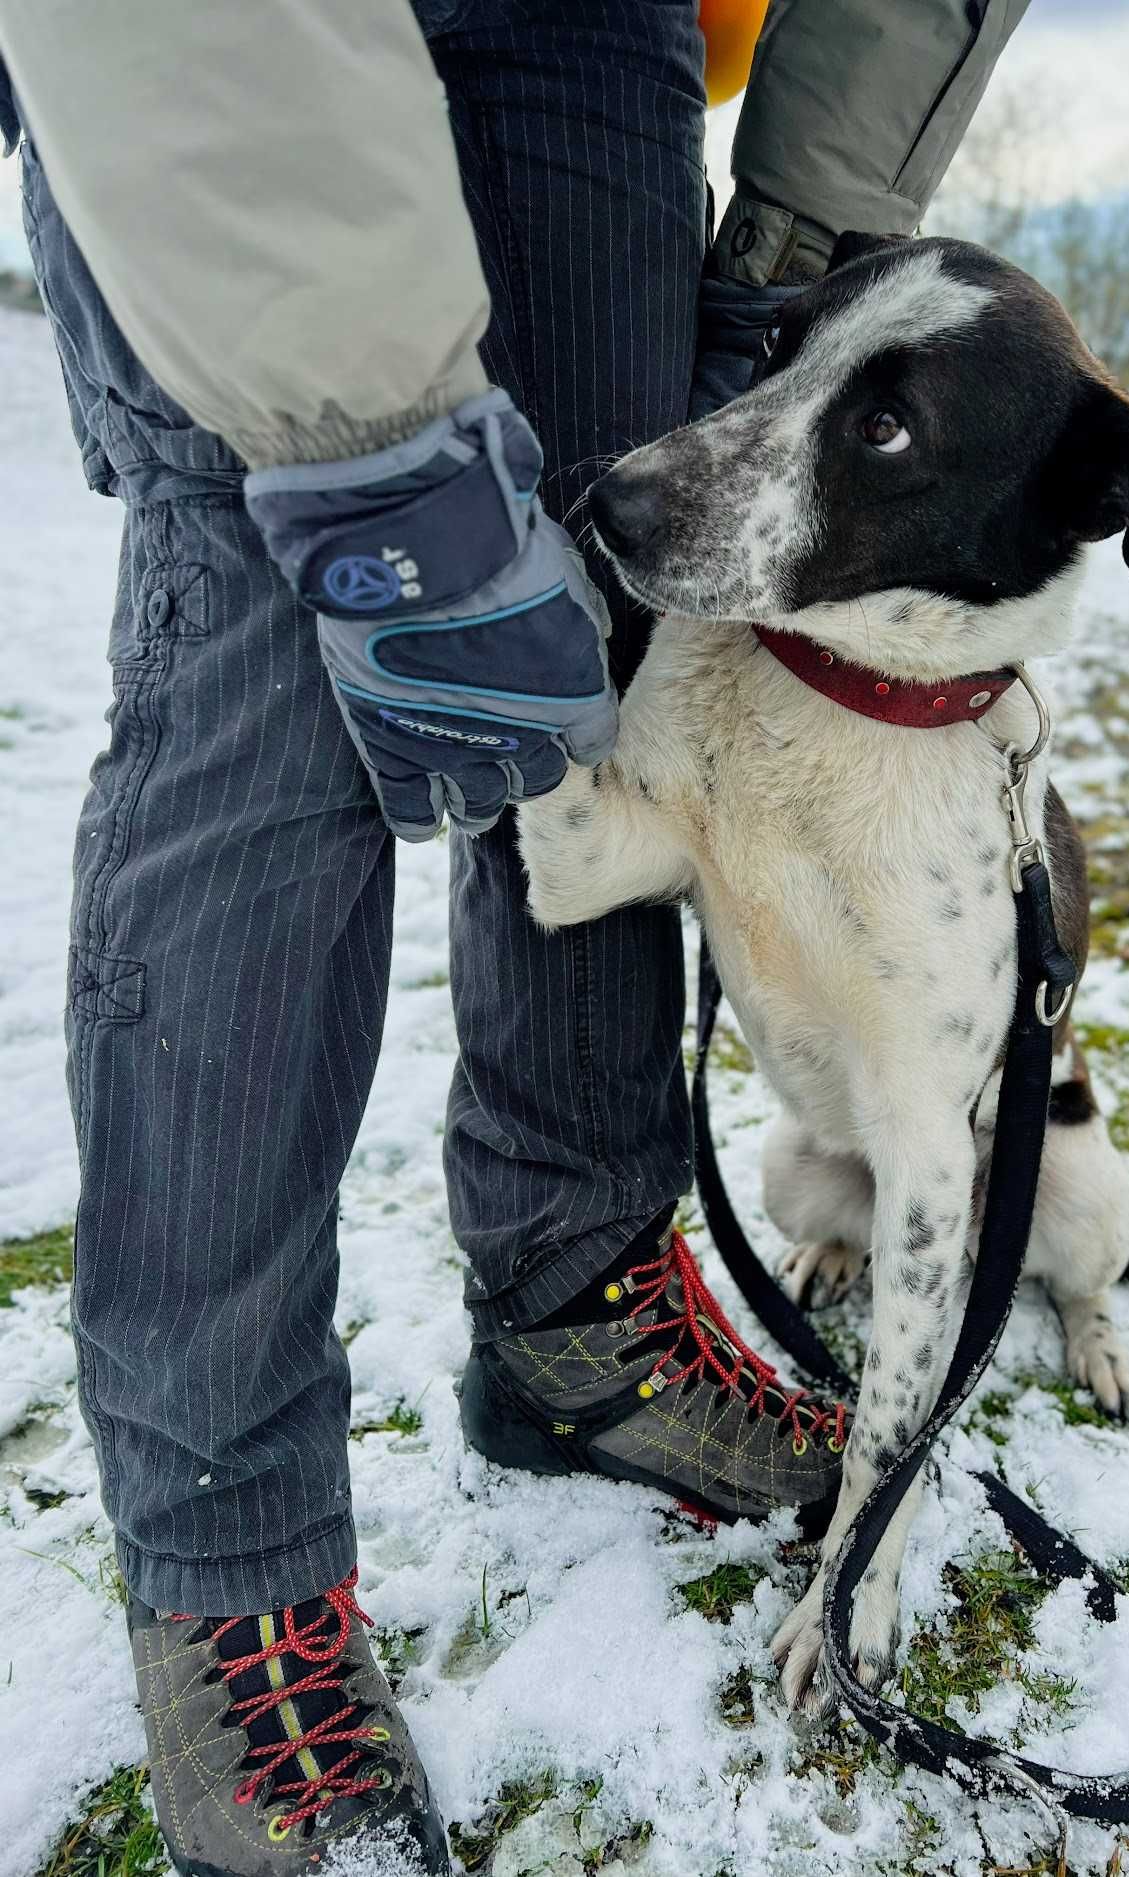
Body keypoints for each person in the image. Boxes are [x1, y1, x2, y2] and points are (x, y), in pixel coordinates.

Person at [0, 3, 1028, 1870]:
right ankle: (234, 1557)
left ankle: (577, 1311)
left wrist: (807, 224)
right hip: (216, 42)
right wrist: (368, 446)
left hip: (603, 35)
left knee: (614, 638)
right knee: (276, 612)